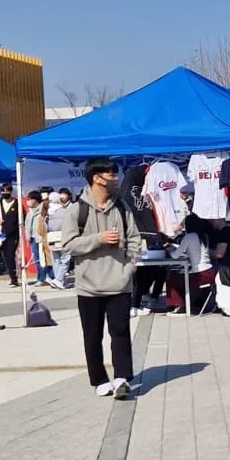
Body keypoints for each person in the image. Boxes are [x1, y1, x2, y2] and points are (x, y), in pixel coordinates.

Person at [60, 157, 144, 400]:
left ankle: (122, 378)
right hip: (89, 287)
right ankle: (99, 379)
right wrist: (98, 239)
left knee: (120, 331)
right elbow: (67, 245)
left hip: (119, 283)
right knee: (92, 335)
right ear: (96, 177)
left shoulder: (122, 207)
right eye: (110, 173)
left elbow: (135, 239)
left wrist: (129, 268)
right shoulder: (78, 209)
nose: (115, 177)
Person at [0, 184, 21, 287]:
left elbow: (21, 217)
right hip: (2, 233)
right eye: (3, 191)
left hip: (14, 234)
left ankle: (14, 277)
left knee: (11, 254)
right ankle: (11, 275)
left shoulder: (16, 203)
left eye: (7, 191)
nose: (5, 193)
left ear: (11, 191)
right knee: (5, 254)